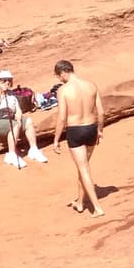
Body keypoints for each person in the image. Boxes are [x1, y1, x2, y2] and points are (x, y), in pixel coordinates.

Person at [52, 58, 105, 216]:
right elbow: (101, 112)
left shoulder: (63, 90)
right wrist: (100, 130)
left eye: (58, 77)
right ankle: (80, 203)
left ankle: (97, 208)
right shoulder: (91, 85)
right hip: (91, 128)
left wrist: (56, 139)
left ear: (63, 73)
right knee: (83, 168)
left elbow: (62, 118)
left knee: (84, 169)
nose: (59, 80)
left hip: (75, 131)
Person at [0, 69, 47, 167]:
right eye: (4, 80)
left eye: (9, 80)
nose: (7, 82)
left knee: (28, 121)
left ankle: (33, 150)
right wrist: (0, 91)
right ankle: (11, 155)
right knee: (14, 125)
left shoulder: (11, 93)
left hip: (5, 120)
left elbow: (18, 109)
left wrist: (19, 119)